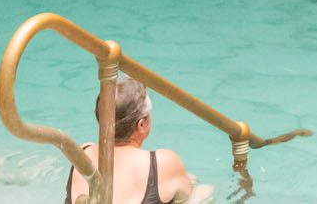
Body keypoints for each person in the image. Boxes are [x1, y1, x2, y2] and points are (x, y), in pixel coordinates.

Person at [65, 77, 211, 203]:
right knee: (205, 191)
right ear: (141, 125)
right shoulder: (163, 162)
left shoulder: (83, 153)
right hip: (164, 177)